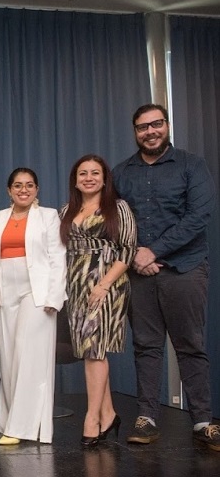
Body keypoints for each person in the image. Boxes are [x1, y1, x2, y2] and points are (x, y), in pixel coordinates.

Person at [113, 104, 219, 450]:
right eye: (142, 127)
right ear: (135, 132)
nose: (150, 131)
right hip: (139, 273)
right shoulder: (121, 172)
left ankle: (203, 420)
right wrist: (136, 258)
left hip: (185, 268)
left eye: (156, 124)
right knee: (145, 347)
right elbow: (114, 223)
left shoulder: (191, 165)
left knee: (190, 344)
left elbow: (198, 215)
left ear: (167, 125)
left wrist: (153, 251)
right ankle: (146, 418)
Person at [0, 167, 66, 445]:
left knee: (30, 359)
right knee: (8, 359)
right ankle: (10, 422)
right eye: (17, 185)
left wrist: (53, 298)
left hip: (37, 293)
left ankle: (22, 428)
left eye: (29, 185)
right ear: (9, 190)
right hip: (5, 292)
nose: (23, 190)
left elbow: (58, 258)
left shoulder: (48, 216)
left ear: (37, 189)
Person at [59, 154, 136, 446]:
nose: (88, 177)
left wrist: (103, 285)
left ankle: (92, 417)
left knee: (94, 350)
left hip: (107, 284)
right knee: (90, 351)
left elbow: (127, 250)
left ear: (105, 178)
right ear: (75, 180)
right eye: (82, 173)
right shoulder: (67, 209)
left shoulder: (118, 207)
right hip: (76, 286)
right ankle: (109, 413)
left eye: (94, 173)